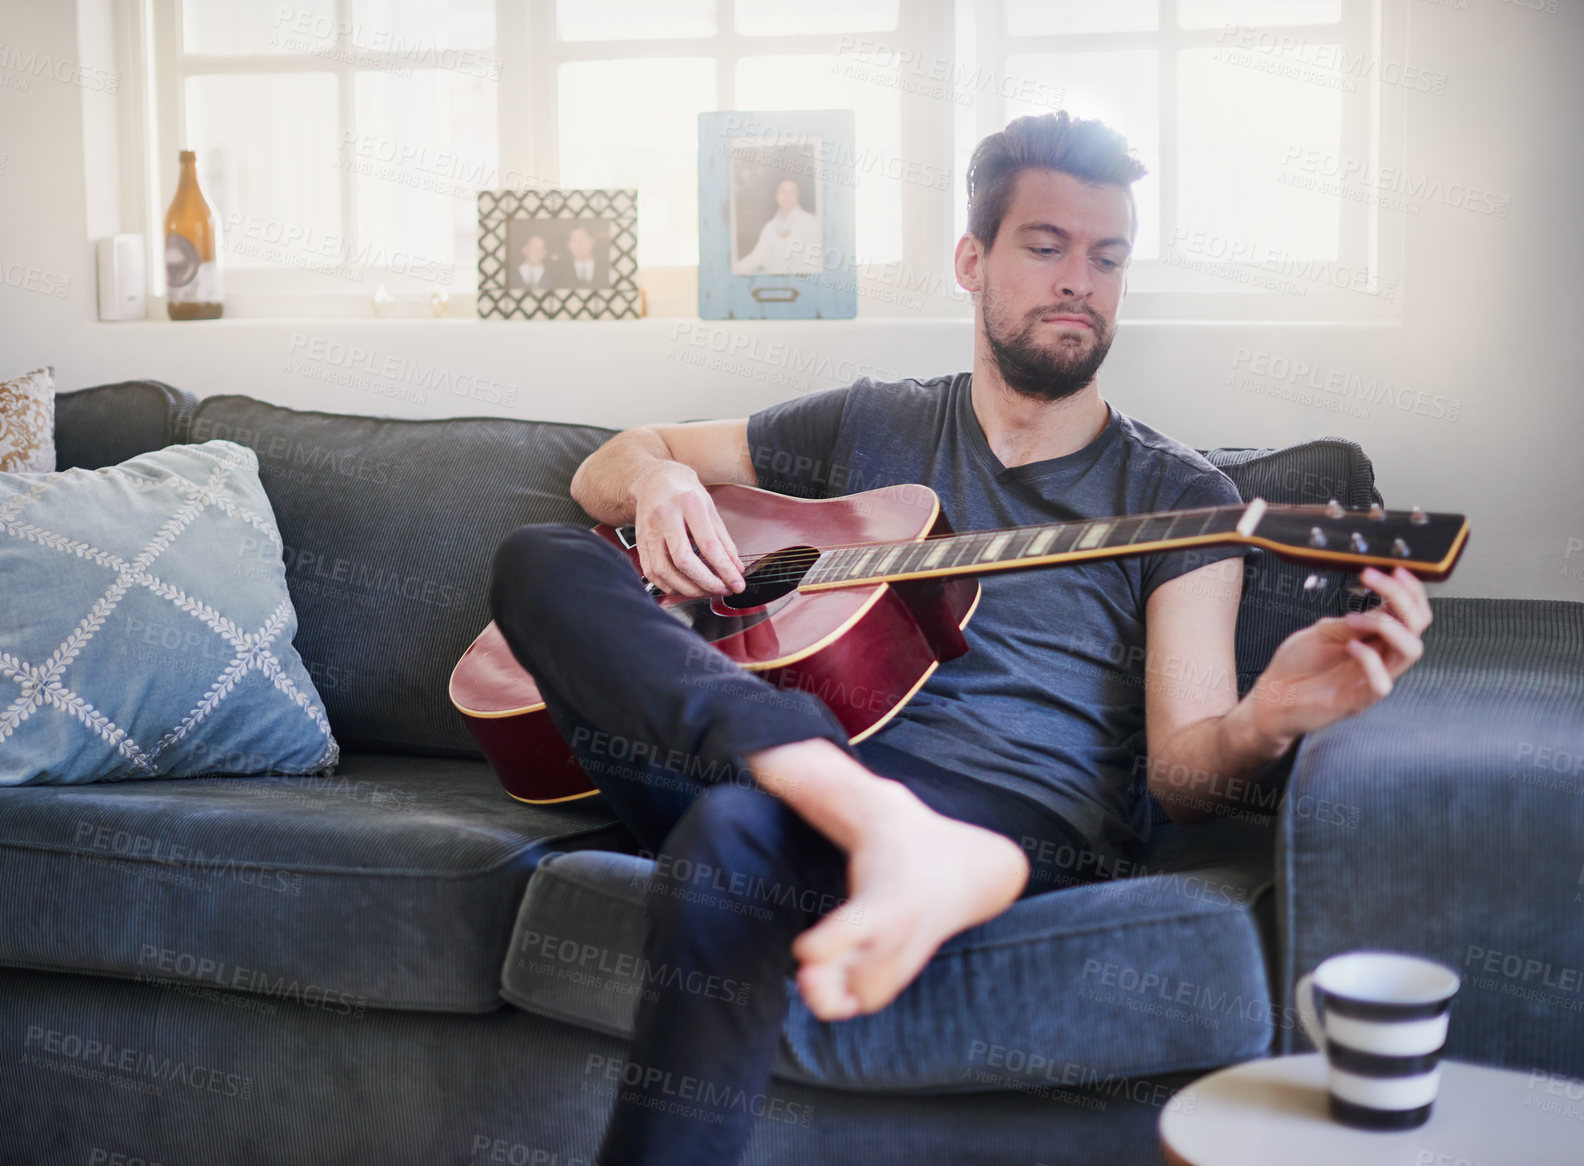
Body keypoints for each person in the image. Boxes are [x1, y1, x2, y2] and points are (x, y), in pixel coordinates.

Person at [489, 111, 1433, 1166]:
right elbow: (616, 459)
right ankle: (856, 804)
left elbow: (1178, 770)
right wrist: (659, 483)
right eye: (1045, 246)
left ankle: (900, 834)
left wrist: (1267, 718)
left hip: (1003, 812)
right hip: (799, 761)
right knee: (539, 554)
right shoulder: (869, 423)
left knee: (726, 840)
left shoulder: (1184, 497)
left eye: (1106, 256)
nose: (1079, 278)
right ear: (970, 260)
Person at [734, 176, 823, 274]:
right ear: (776, 196)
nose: (788, 196)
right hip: (774, 285)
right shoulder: (770, 227)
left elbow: (814, 263)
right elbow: (757, 257)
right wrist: (734, 270)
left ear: (798, 196)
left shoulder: (809, 222)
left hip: (801, 286)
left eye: (793, 192)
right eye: (783, 192)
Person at [556, 223, 610, 288]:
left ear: (592, 241)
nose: (579, 243)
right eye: (574, 240)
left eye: (583, 238)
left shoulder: (608, 267)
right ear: (568, 246)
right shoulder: (559, 272)